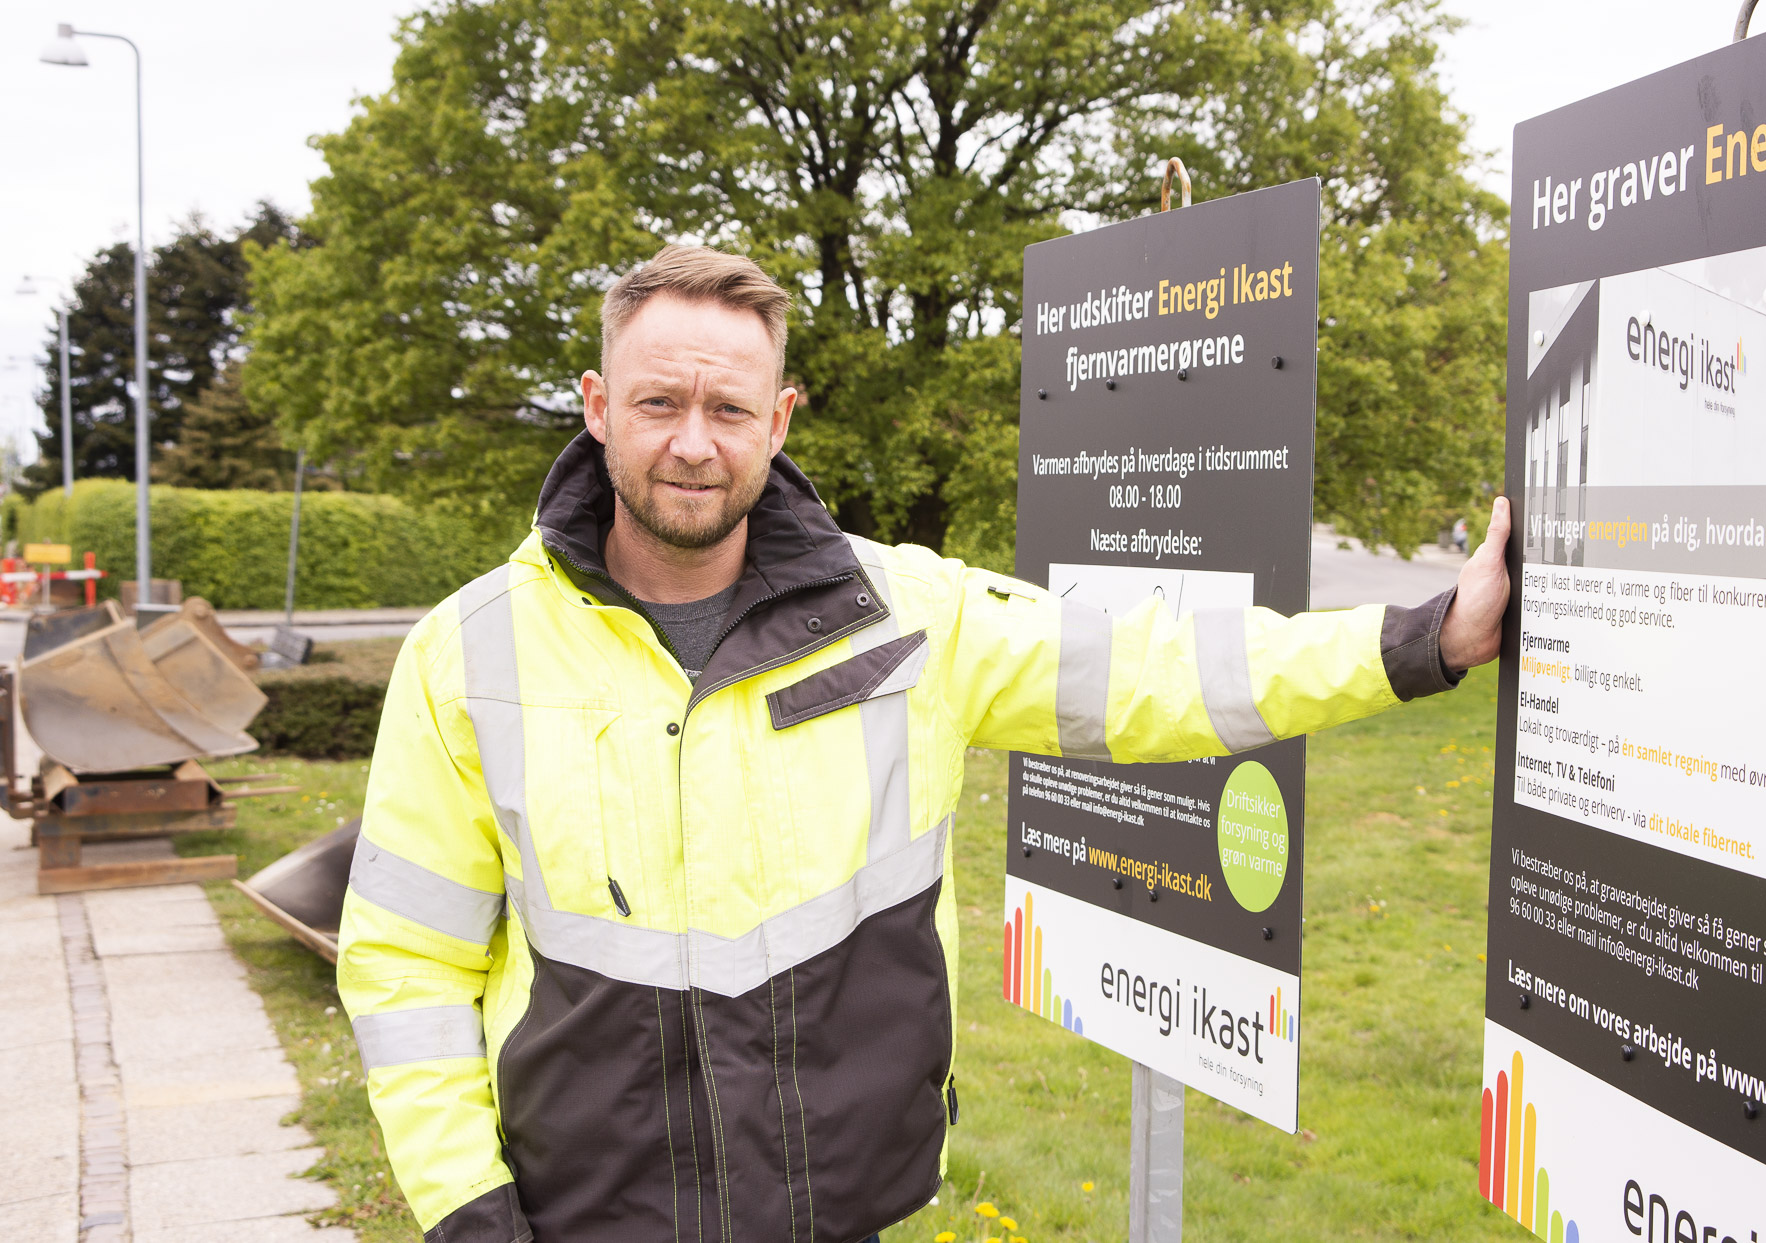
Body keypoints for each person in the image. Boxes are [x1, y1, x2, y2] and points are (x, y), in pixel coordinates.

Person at [338, 245, 1512, 1243]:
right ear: (597, 406)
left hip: (846, 1209)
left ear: (778, 419)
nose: (692, 442)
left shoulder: (908, 614)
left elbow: (1162, 668)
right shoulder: (468, 651)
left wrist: (1422, 640)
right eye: (658, 404)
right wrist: (467, 1211)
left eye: (728, 408)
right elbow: (404, 964)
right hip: (581, 1219)